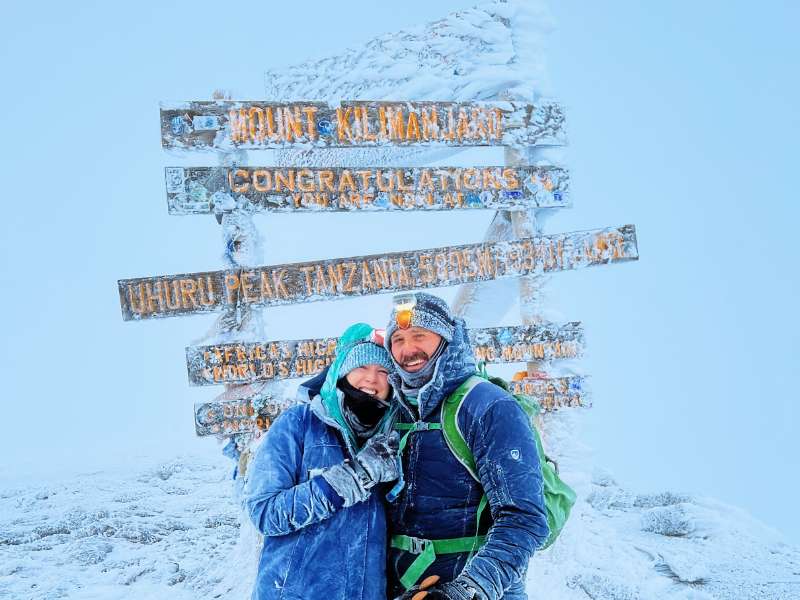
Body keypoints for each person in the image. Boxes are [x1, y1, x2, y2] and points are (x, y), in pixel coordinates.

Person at [383, 293, 549, 600]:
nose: (408, 350)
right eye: (398, 340)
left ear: (446, 338)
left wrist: (465, 591)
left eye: (419, 336)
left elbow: (524, 517)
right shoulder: (392, 410)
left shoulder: (487, 405)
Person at [243, 323, 400, 600]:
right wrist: (352, 477)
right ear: (341, 371)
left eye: (384, 371)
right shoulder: (299, 424)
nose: (372, 379)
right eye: (361, 367)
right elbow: (265, 512)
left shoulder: (394, 439)